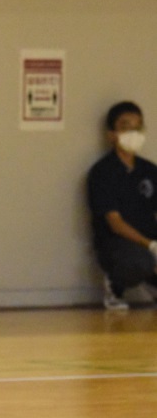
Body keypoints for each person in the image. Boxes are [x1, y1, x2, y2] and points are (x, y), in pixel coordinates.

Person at [87, 101, 157, 310]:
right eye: (126, 127)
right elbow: (115, 223)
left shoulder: (150, 170)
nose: (133, 133)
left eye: (138, 127)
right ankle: (115, 286)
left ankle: (153, 283)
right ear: (111, 134)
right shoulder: (102, 172)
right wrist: (151, 246)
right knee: (140, 261)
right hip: (118, 244)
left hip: (150, 238)